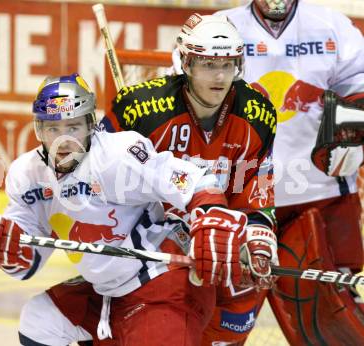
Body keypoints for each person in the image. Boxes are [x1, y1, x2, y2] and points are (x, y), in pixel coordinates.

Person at [0, 73, 276, 346]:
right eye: (53, 128)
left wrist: (210, 217)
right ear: (38, 129)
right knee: (39, 321)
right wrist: (7, 248)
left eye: (73, 126)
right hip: (107, 293)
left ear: (91, 124)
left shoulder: (119, 155)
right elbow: (29, 255)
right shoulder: (27, 174)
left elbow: (194, 180)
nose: (63, 139)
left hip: (164, 285)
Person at [183, 1, 364, 344]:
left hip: (321, 196)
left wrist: (355, 126)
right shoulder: (220, 26)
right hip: (238, 200)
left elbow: (360, 84)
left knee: (332, 321)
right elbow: (183, 93)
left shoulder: (331, 26)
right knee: (218, 318)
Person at [100, 13, 279, 345]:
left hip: (219, 239)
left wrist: (257, 234)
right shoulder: (139, 109)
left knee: (241, 296)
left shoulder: (258, 113)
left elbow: (256, 185)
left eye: (228, 64)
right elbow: (94, 176)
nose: (220, 75)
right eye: (208, 64)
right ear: (185, 62)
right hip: (151, 242)